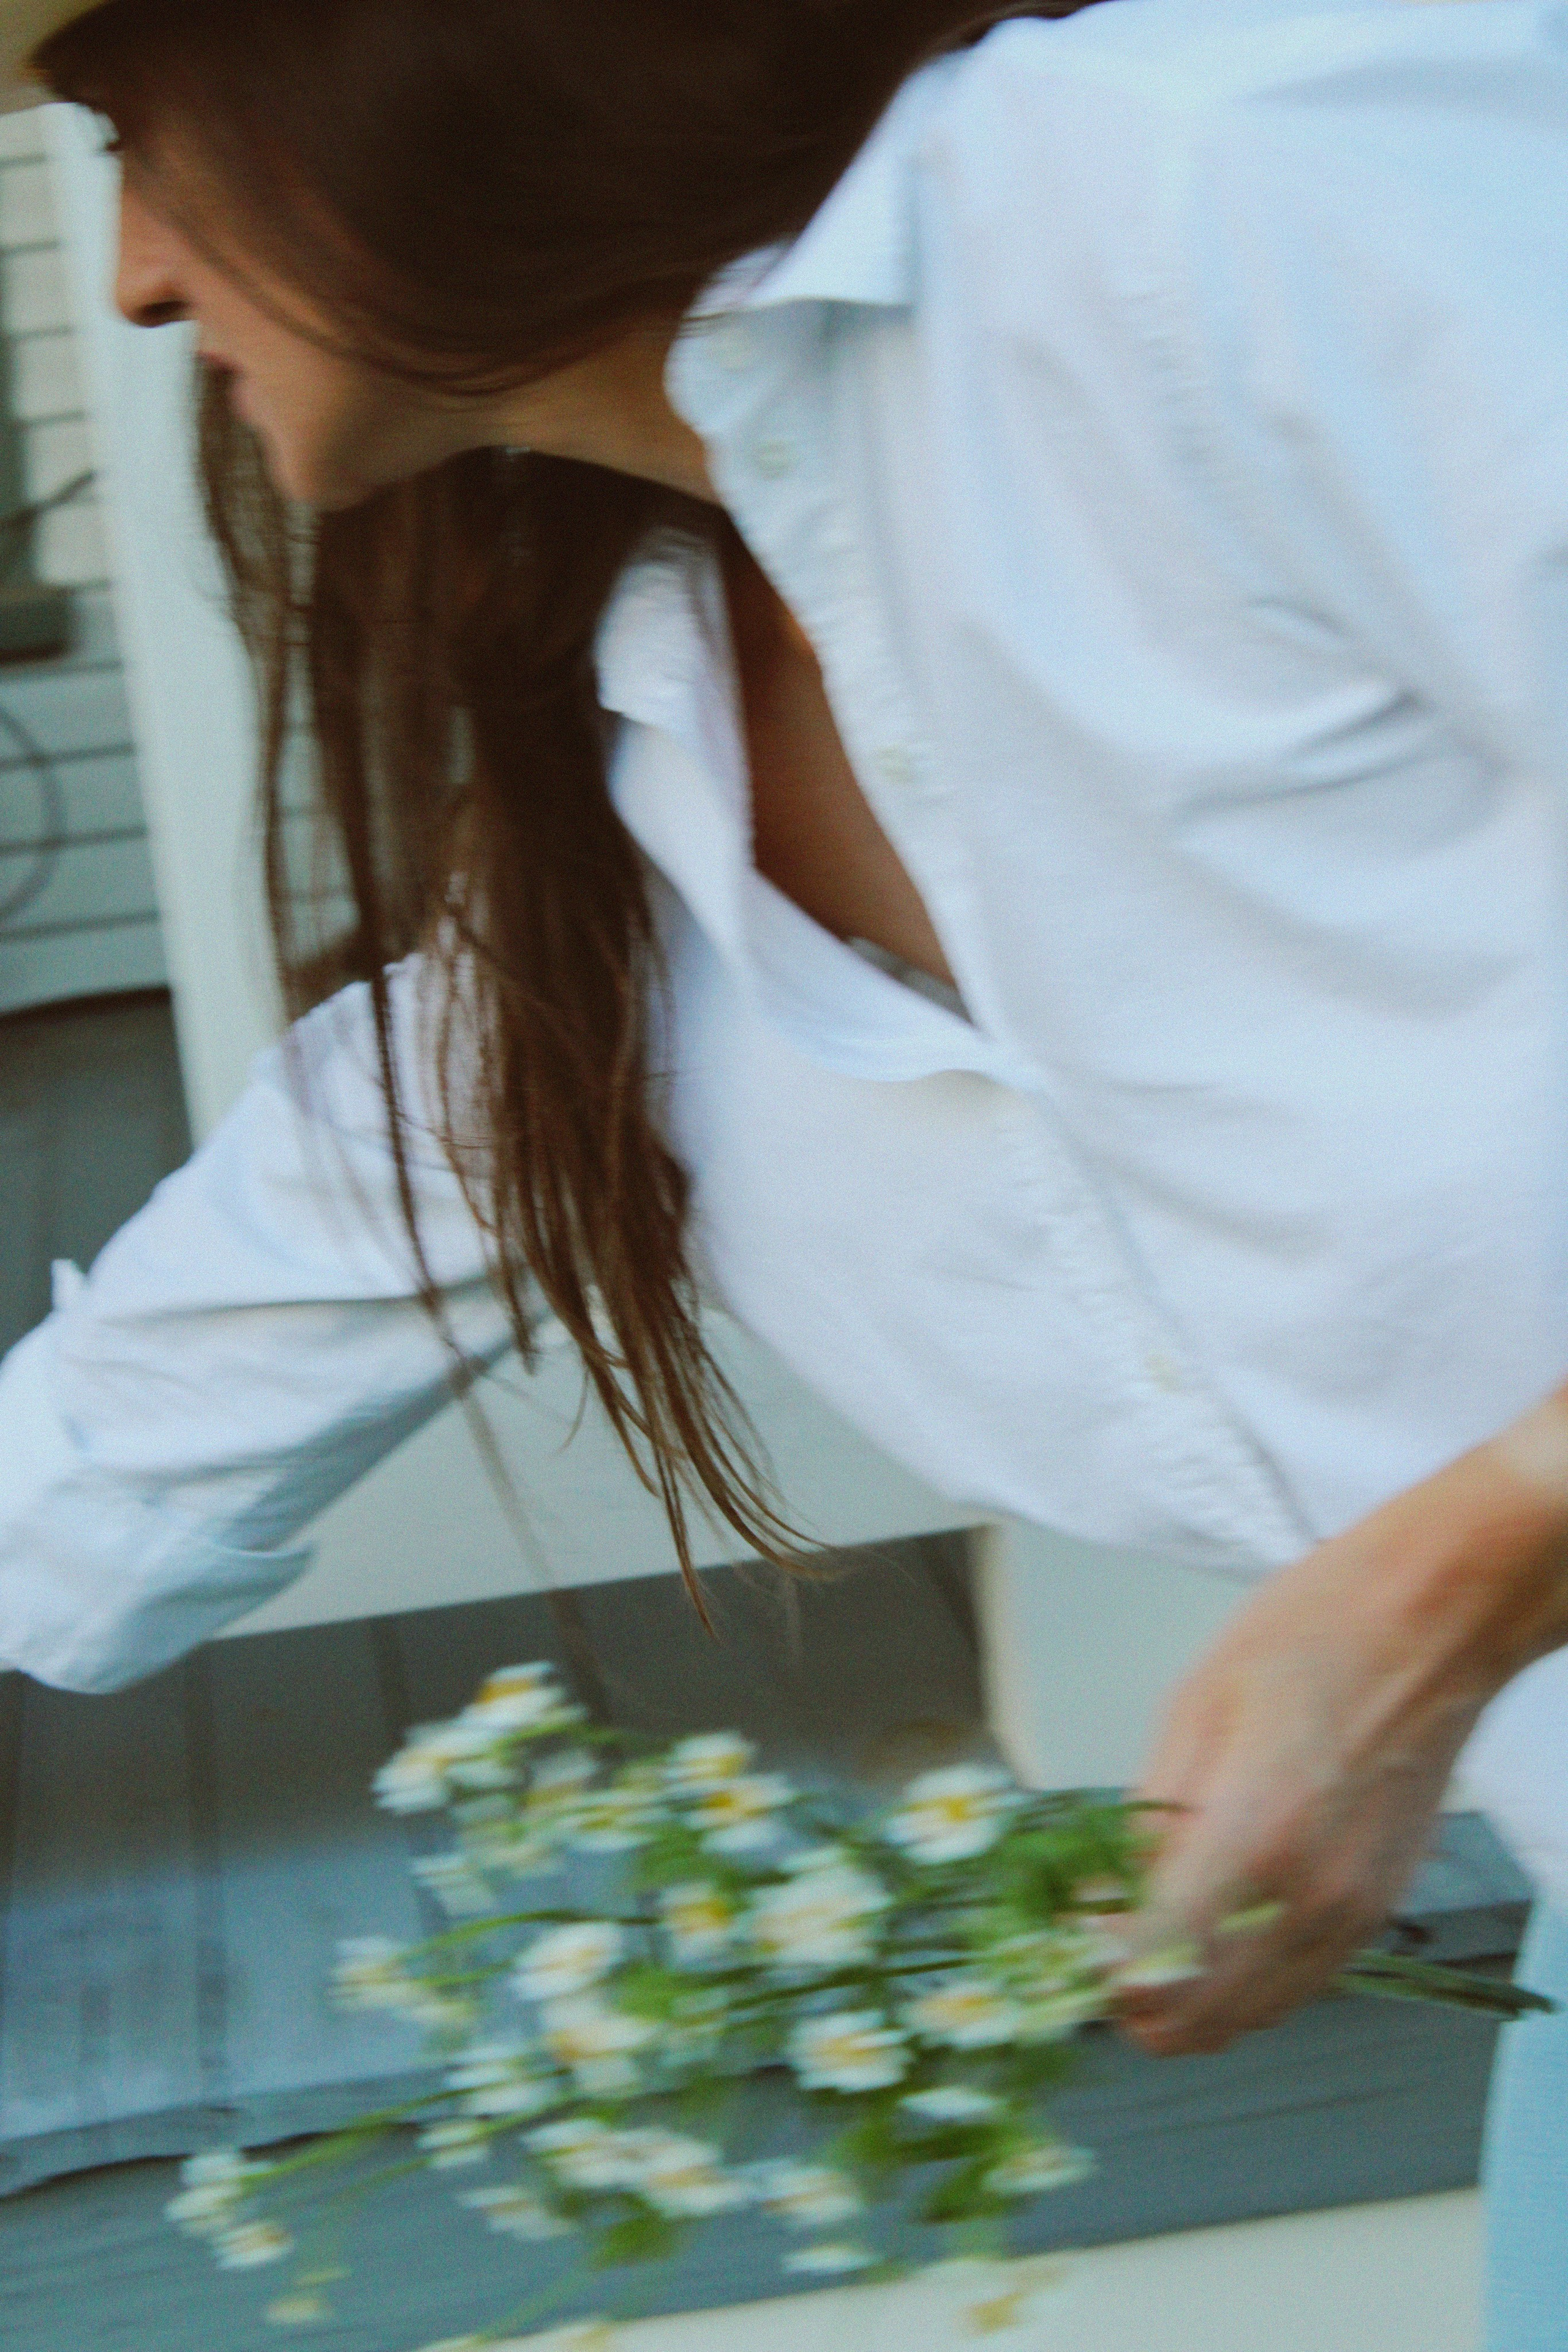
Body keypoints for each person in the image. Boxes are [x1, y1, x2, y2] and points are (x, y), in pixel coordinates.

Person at [0, 0, 1566, 2334]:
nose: (128, 272)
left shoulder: (1221, 192)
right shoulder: (641, 748)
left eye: (140, 129)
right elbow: (190, 1354)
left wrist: (1447, 1579)